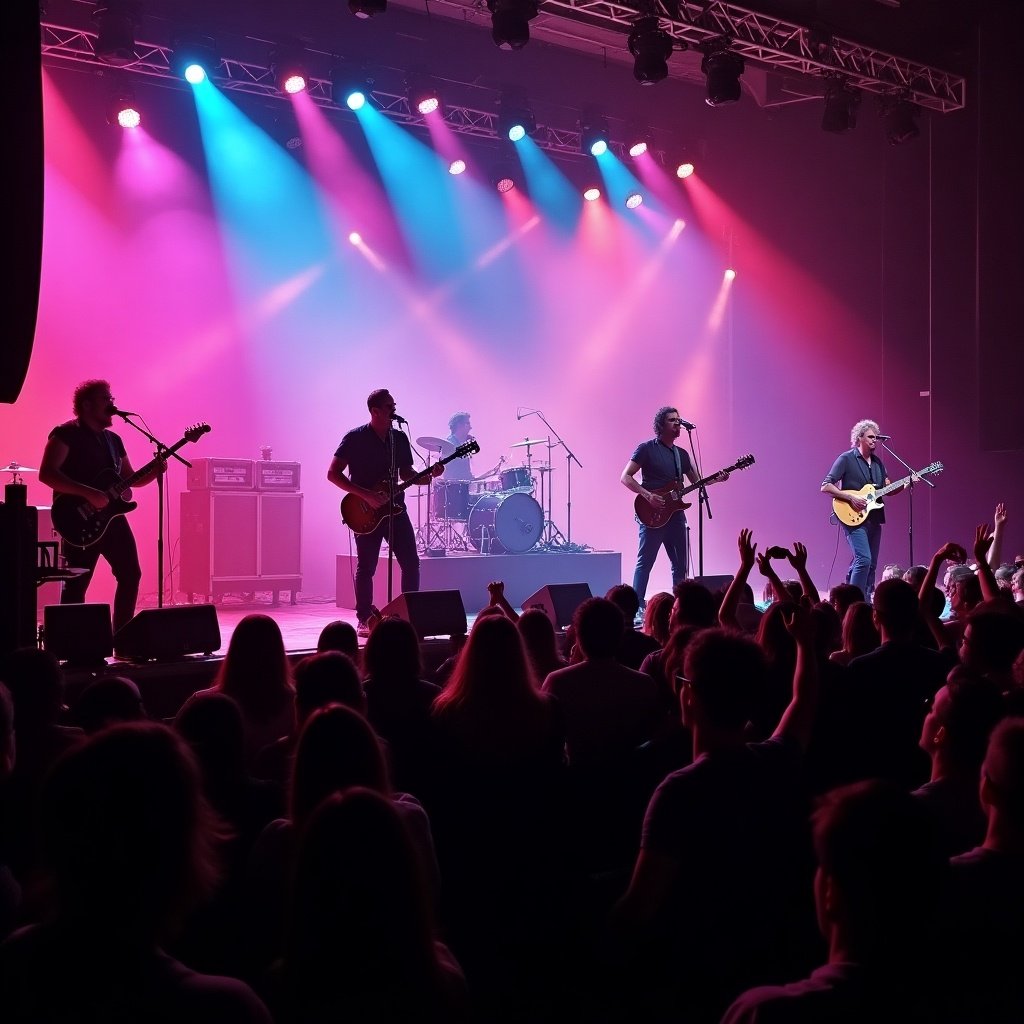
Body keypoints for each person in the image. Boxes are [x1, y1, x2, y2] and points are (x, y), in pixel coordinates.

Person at [39, 379, 165, 634]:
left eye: (112, 398)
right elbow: (47, 474)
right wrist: (89, 493)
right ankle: (69, 643)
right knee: (77, 584)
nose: (112, 403)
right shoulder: (66, 434)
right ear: (86, 405)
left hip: (112, 519)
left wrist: (155, 471)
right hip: (78, 520)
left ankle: (123, 636)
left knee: (131, 575)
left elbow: (130, 477)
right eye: (106, 399)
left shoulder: (114, 440)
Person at [328, 389, 442, 636]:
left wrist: (429, 476)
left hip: (396, 509)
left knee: (411, 563)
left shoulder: (398, 438)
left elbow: (407, 474)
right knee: (366, 566)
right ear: (375, 411)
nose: (394, 410)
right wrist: (365, 495)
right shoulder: (355, 438)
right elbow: (332, 474)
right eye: (389, 406)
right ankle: (364, 618)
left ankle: (410, 614)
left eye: (394, 405)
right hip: (365, 511)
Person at [620, 406, 727, 606]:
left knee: (680, 566)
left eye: (678, 420)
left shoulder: (682, 454)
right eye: (672, 420)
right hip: (651, 514)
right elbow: (625, 477)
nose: (677, 423)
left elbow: (698, 482)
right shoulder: (646, 449)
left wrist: (717, 479)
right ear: (661, 425)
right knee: (645, 564)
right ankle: (634, 609)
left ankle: (681, 607)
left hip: (676, 516)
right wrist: (648, 495)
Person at [820, 419, 906, 602]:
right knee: (864, 560)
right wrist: (851, 497)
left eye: (876, 437)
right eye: (871, 437)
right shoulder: (846, 459)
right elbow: (826, 485)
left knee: (871, 564)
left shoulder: (878, 464)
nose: (875, 440)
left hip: (874, 518)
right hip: (852, 516)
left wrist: (907, 483)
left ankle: (863, 599)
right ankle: (854, 602)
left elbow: (888, 489)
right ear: (859, 438)